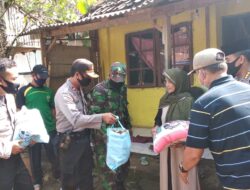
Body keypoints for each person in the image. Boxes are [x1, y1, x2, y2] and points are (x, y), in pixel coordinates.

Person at [180, 48, 250, 190]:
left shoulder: (204, 103)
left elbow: (193, 155)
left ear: (202, 73)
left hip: (239, 180)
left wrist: (183, 169)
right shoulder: (247, 88)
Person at [54, 58, 117, 190]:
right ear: (77, 74)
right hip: (69, 142)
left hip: (83, 139)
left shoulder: (78, 89)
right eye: (88, 76)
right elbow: (76, 120)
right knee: (70, 180)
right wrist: (102, 117)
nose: (90, 80)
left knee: (86, 177)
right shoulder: (64, 93)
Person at [153, 68, 200, 190]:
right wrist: (156, 129)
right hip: (166, 148)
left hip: (183, 149)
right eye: (165, 81)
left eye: (170, 81)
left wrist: (183, 141)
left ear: (180, 82)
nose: (167, 85)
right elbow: (158, 121)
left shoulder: (189, 101)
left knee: (183, 180)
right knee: (168, 175)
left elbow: (195, 128)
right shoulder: (164, 100)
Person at [89, 62, 132, 190]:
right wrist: (107, 138)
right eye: (115, 77)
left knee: (123, 164)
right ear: (109, 75)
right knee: (107, 169)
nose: (117, 81)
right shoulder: (99, 90)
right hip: (103, 137)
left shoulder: (123, 88)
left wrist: (129, 127)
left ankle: (119, 185)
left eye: (121, 78)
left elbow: (124, 108)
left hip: (120, 134)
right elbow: (94, 117)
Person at [16, 65, 59, 190]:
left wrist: (55, 122)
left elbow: (53, 109)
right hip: (33, 132)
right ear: (33, 75)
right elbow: (20, 112)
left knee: (54, 155)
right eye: (41, 76)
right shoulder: (23, 91)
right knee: (35, 159)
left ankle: (58, 176)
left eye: (45, 77)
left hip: (50, 129)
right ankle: (37, 182)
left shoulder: (48, 91)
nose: (43, 79)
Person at [0, 58, 34, 190]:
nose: (18, 83)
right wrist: (8, 148)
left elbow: (14, 123)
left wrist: (27, 136)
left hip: (14, 158)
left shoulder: (8, 97)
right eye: (13, 79)